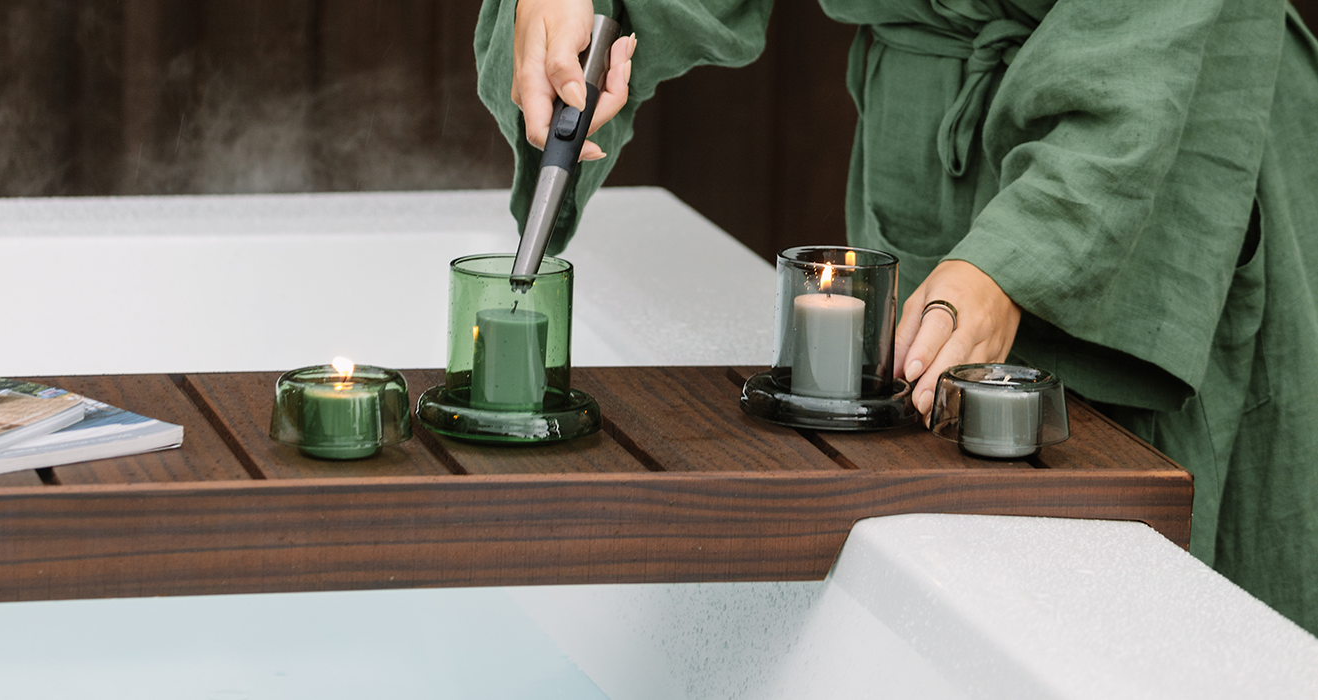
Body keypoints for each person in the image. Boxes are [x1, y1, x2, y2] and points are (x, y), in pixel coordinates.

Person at [475, 0, 1318, 636]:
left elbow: (1149, 35)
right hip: (923, 163)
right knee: (936, 557)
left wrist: (1017, 257)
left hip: (1155, 146)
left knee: (1127, 596)